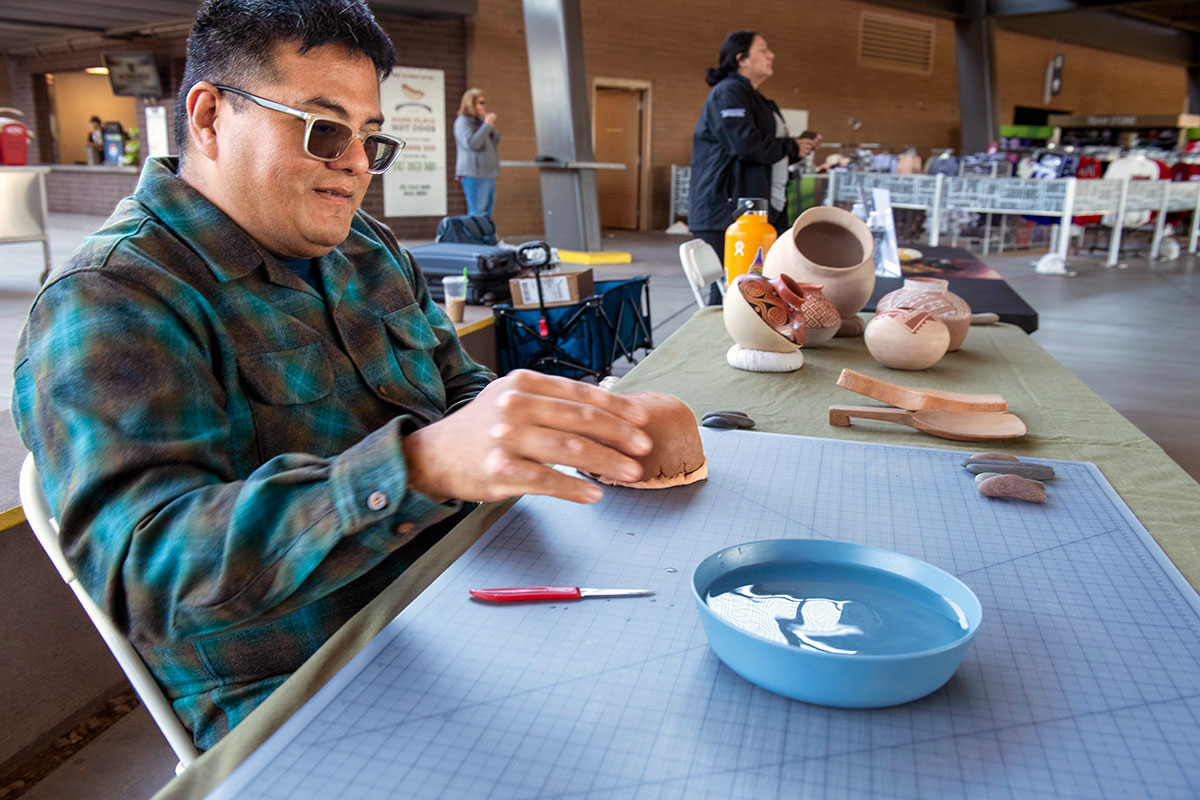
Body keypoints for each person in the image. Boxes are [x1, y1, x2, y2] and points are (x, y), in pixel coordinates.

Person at [12, 0, 651, 750]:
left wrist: (581, 426)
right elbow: (151, 575)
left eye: (370, 139)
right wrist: (417, 466)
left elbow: (460, 394)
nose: (353, 162)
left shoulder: (366, 249)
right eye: (323, 130)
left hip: (458, 595)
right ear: (210, 116)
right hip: (304, 684)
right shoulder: (114, 296)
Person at [687, 30, 817, 303]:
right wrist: (789, 146)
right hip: (727, 209)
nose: (771, 55)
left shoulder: (759, 100)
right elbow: (743, 144)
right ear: (741, 59)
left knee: (756, 289)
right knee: (732, 292)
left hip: (759, 210)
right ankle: (721, 343)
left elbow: (764, 153)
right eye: (762, 49)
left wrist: (797, 149)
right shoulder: (728, 93)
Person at [453, 87, 500, 218]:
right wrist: (486, 125)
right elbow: (472, 144)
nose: (484, 106)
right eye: (481, 102)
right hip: (474, 173)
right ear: (471, 104)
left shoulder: (481, 122)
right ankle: (474, 239)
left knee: (487, 211)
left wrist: (488, 124)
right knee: (478, 212)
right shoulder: (462, 122)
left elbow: (497, 138)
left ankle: (486, 238)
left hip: (488, 172)